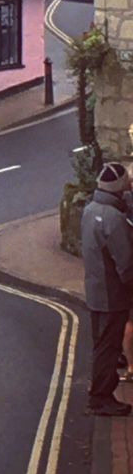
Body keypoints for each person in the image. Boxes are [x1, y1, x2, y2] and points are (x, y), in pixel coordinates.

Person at [81, 163, 133, 416]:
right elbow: (126, 264)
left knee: (102, 344)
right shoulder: (113, 219)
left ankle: (101, 394)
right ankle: (101, 398)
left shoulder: (91, 209)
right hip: (113, 295)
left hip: (96, 290)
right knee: (108, 348)